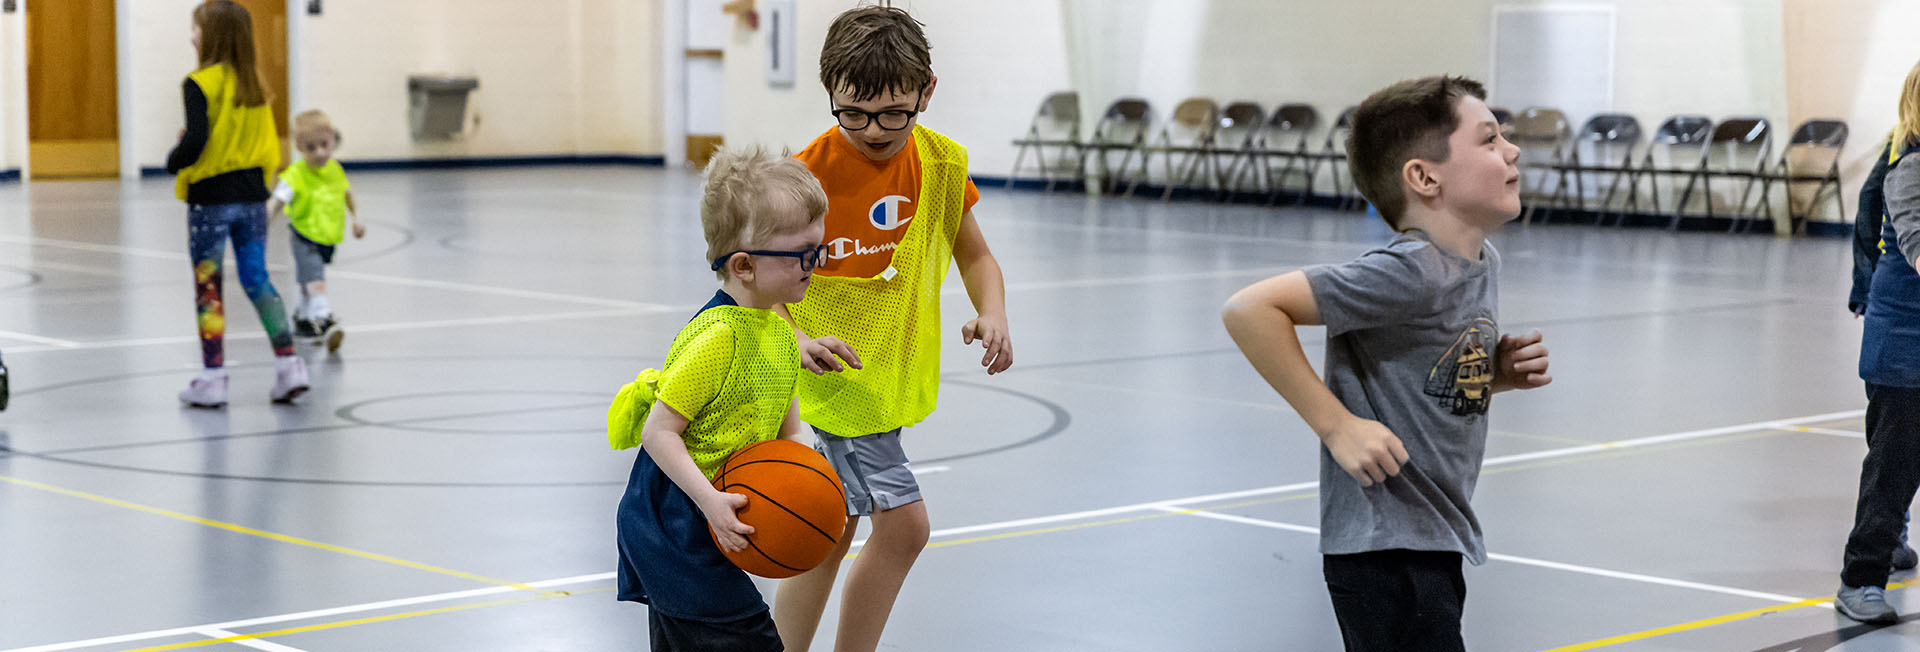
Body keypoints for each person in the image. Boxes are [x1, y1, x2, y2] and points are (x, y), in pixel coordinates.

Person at [1220, 75, 1551, 650]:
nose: (1512, 150)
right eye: (1490, 139)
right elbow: (1249, 309)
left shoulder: (1480, 261)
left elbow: (1417, 380)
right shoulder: (1409, 271)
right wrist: (1337, 425)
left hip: (1432, 535)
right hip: (1386, 549)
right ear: (1425, 177)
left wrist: (1488, 378)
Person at [770, 7, 1014, 652]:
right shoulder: (804, 178)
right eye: (853, 112)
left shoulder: (941, 164)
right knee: (905, 530)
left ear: (926, 91)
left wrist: (993, 310)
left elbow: (976, 255)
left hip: (889, 375)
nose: (873, 129)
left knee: (830, 531)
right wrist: (796, 339)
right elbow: (759, 288)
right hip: (838, 383)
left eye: (893, 112)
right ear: (830, 94)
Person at [610, 145, 827, 650]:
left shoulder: (776, 330)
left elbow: (787, 428)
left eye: (819, 250)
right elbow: (658, 433)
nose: (814, 265)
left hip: (710, 511)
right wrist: (710, 503)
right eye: (802, 255)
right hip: (672, 523)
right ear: (745, 266)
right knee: (749, 639)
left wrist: (811, 470)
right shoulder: (719, 339)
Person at [166, 0, 307, 408]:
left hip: (210, 200)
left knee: (208, 286)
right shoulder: (255, 85)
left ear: (211, 35)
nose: (191, 36)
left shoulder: (199, 82)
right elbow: (260, 143)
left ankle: (213, 377)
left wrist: (173, 158)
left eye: (196, 29)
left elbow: (195, 144)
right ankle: (289, 364)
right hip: (251, 199)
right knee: (257, 278)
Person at [1835, 58, 1920, 625]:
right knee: (1893, 463)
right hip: (1904, 339)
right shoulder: (1909, 169)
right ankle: (1861, 576)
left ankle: (1889, 540)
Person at [268, 109, 364, 354]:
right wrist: (260, 226)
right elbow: (276, 202)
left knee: (306, 280)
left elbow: (346, 194)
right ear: (299, 148)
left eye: (324, 145)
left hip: (326, 236)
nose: (320, 152)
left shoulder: (335, 170)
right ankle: (324, 317)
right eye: (311, 148)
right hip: (304, 235)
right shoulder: (295, 175)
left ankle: (302, 317)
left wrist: (356, 218)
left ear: (333, 140)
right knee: (316, 279)